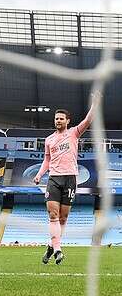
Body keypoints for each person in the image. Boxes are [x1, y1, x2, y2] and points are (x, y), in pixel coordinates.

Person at [33, 93, 101, 265]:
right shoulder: (49, 140)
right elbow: (47, 160)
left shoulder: (74, 133)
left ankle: (51, 246)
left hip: (70, 178)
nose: (58, 121)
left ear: (67, 121)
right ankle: (58, 250)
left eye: (61, 118)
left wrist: (95, 104)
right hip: (54, 179)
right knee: (53, 215)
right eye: (56, 118)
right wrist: (40, 174)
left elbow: (88, 120)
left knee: (63, 218)